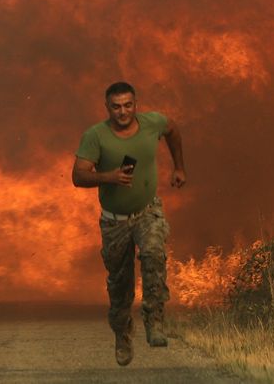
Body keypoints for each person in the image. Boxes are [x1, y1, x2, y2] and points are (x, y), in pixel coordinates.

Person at [72, 81, 186, 366]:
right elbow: (78, 176)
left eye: (128, 105)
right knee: (120, 287)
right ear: (107, 107)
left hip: (148, 211)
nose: (123, 112)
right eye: (116, 106)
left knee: (154, 254)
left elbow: (173, 130)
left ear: (136, 104)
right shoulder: (96, 136)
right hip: (115, 223)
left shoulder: (152, 123)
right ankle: (122, 334)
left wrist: (179, 166)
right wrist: (108, 177)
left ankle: (155, 319)